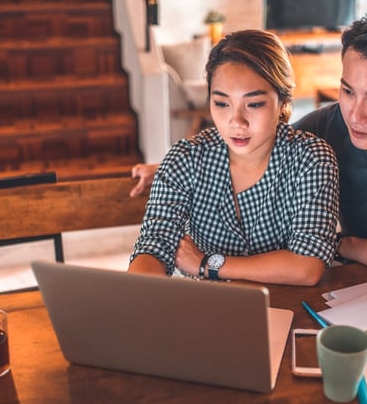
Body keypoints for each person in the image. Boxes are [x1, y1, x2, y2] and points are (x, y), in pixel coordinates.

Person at [129, 6, 367, 289]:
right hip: (353, 285)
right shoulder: (329, 125)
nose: (355, 115)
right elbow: (256, 145)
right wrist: (169, 168)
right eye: (347, 91)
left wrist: (336, 244)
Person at [128, 29, 340, 286]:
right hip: (210, 309)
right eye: (221, 103)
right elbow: (154, 246)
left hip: (289, 306)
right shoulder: (185, 159)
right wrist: (136, 297)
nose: (236, 122)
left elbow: (307, 266)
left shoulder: (311, 159)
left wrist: (207, 264)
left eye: (254, 104)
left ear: (283, 101)